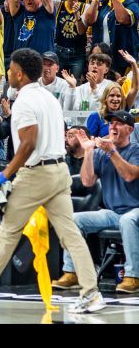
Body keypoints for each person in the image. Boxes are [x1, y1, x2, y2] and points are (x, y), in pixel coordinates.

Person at [0, 48, 106, 313]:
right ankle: (91, 292)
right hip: (59, 171)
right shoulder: (49, 99)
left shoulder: (23, 101)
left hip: (37, 173)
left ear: (19, 74)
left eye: (10, 70)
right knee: (70, 235)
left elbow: (28, 144)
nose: (8, 73)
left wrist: (5, 174)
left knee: (7, 232)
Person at [52, 111, 139, 294]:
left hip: (135, 210)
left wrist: (112, 152)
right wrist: (89, 151)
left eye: (118, 123)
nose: (113, 126)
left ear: (130, 129)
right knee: (74, 220)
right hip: (113, 213)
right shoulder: (101, 153)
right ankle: (72, 272)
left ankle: (133, 276)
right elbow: (87, 181)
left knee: (128, 220)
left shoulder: (135, 150)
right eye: (111, 123)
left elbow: (129, 174)